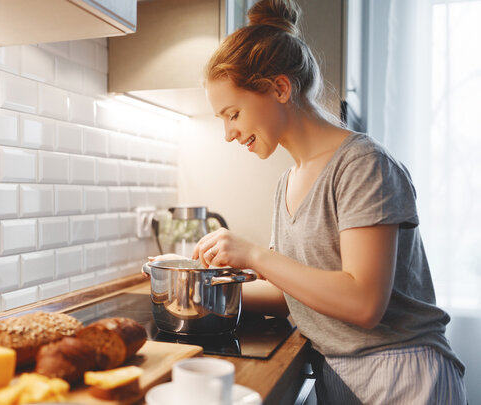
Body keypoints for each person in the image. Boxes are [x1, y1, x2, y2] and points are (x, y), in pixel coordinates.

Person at [185, 0, 468, 403]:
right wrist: (200, 295)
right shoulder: (287, 183)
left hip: (402, 375)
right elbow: (297, 294)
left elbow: (364, 301)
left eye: (233, 114)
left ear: (280, 88)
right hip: (342, 374)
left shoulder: (362, 164)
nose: (229, 133)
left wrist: (253, 255)